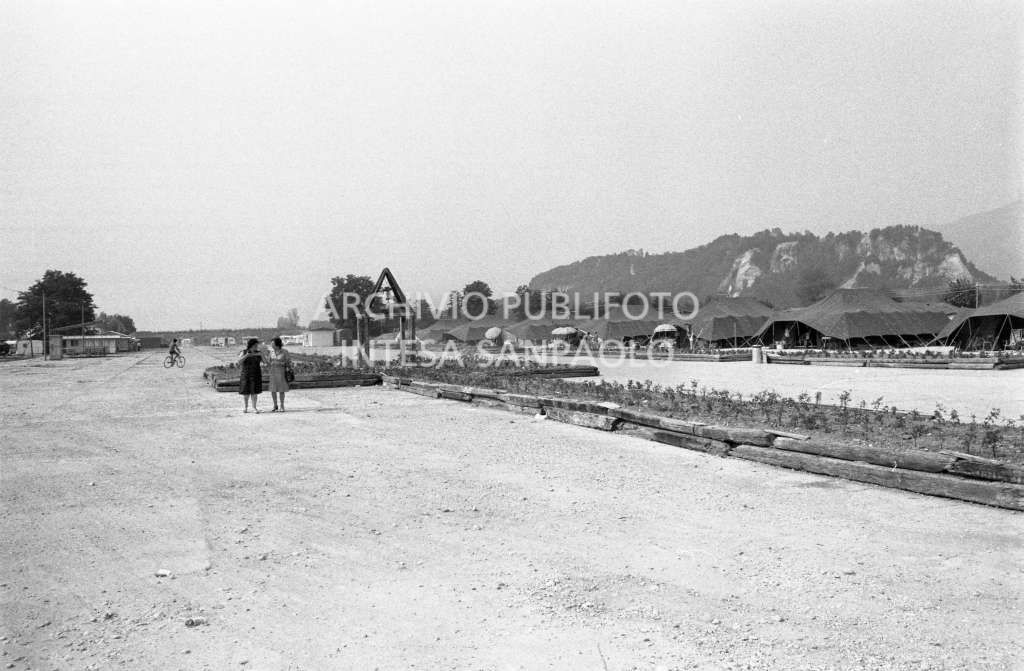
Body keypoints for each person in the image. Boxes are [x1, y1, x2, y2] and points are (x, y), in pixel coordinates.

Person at [238, 338, 266, 413]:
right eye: (255, 345)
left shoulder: (259, 352)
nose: (257, 346)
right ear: (251, 345)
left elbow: (265, 362)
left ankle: (254, 407)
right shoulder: (244, 352)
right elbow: (239, 362)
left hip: (256, 373)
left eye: (257, 345)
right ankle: (245, 407)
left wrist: (262, 354)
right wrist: (247, 355)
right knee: (246, 392)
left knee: (254, 392)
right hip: (246, 373)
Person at [267, 336, 293, 412]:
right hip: (273, 372)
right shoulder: (271, 352)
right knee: (273, 390)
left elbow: (289, 362)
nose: (271, 345)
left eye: (272, 343)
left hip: (281, 372)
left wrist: (281, 363)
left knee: (281, 390)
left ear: (277, 344)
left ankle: (282, 405)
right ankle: (275, 405)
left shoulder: (285, 351)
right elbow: (268, 362)